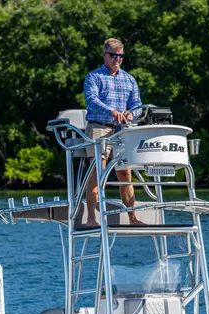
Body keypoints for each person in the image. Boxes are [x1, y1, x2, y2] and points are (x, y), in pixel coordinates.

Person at [83, 38, 142, 227]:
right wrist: (112, 111)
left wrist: (130, 113)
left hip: (122, 130)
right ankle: (91, 218)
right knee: (97, 172)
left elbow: (137, 105)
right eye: (114, 56)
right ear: (105, 56)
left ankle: (133, 218)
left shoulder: (129, 79)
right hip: (99, 127)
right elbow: (91, 99)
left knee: (125, 174)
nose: (117, 59)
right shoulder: (93, 77)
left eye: (120, 56)